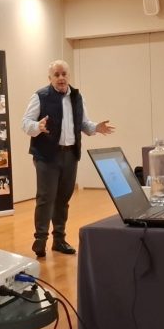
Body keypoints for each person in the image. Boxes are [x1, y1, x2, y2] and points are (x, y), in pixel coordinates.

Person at [21, 60, 114, 257]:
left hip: (70, 155)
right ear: (50, 78)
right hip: (47, 155)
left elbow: (84, 123)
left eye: (64, 74)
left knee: (63, 198)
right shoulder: (40, 96)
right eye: (57, 75)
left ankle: (59, 240)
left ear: (68, 76)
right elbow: (25, 123)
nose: (61, 78)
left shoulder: (77, 97)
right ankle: (40, 240)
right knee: (46, 198)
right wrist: (37, 126)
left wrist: (96, 128)